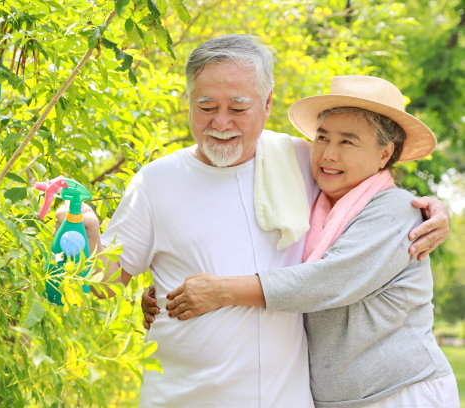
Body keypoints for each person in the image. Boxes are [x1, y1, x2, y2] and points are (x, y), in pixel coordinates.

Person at [70, 35, 450, 407]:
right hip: (182, 396)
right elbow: (104, 283)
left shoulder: (302, 162)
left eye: (238, 108)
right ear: (188, 102)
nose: (221, 122)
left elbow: (339, 259)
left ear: (266, 104)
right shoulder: (155, 181)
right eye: (205, 107)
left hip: (296, 398)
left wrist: (432, 207)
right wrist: (87, 233)